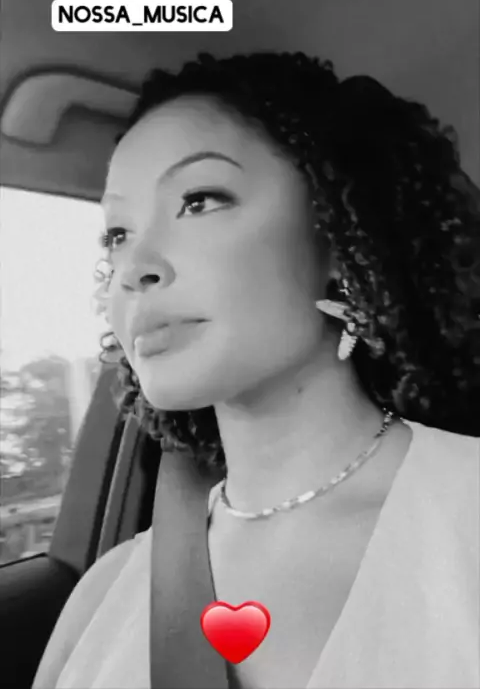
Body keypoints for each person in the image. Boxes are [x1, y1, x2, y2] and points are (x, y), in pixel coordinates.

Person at [33, 51, 480, 689]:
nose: (134, 268)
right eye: (117, 234)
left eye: (199, 201)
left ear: (337, 236)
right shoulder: (102, 599)